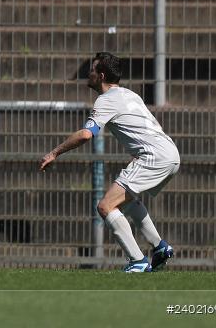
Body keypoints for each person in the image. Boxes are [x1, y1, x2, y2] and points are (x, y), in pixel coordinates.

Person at [40, 52, 180, 273]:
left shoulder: (105, 100)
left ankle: (138, 261)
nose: (89, 73)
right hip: (171, 154)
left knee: (105, 206)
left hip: (154, 156)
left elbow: (87, 134)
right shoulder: (129, 94)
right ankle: (159, 247)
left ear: (101, 75)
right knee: (128, 199)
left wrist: (55, 152)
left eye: (93, 69)